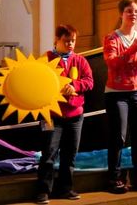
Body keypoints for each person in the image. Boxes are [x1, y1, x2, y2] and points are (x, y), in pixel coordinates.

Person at [103, 0, 137, 194]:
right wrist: (136, 46)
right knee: (118, 138)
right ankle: (114, 179)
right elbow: (113, 63)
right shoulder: (111, 38)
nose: (133, 14)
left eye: (136, 11)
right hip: (117, 94)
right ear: (121, 14)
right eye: (129, 11)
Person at [36, 24, 94, 204]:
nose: (70, 44)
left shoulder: (80, 60)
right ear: (57, 40)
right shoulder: (46, 59)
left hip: (75, 116)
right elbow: (37, 82)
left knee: (70, 155)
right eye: (66, 40)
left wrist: (75, 86)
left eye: (73, 41)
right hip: (52, 115)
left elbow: (90, 81)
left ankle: (65, 189)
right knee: (48, 154)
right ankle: (43, 191)